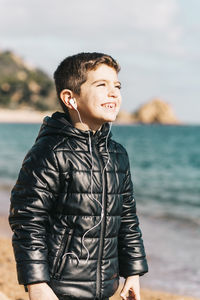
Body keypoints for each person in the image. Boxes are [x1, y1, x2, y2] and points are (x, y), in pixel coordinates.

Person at [9, 52, 148, 300]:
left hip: (106, 286)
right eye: (101, 85)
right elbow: (28, 219)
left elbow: (127, 217)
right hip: (59, 288)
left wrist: (133, 273)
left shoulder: (117, 154)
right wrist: (37, 282)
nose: (114, 93)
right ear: (70, 99)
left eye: (117, 86)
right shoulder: (50, 152)